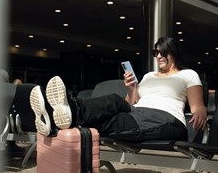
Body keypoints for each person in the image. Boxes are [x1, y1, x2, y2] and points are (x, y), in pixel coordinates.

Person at [29, 37, 207, 141]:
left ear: (173, 52)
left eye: (162, 52)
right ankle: (69, 109)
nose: (158, 56)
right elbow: (130, 103)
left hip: (167, 119)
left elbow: (197, 106)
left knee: (112, 123)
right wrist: (131, 89)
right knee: (114, 99)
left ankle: (59, 118)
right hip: (137, 112)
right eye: (156, 53)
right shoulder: (148, 76)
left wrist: (201, 111)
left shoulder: (188, 74)